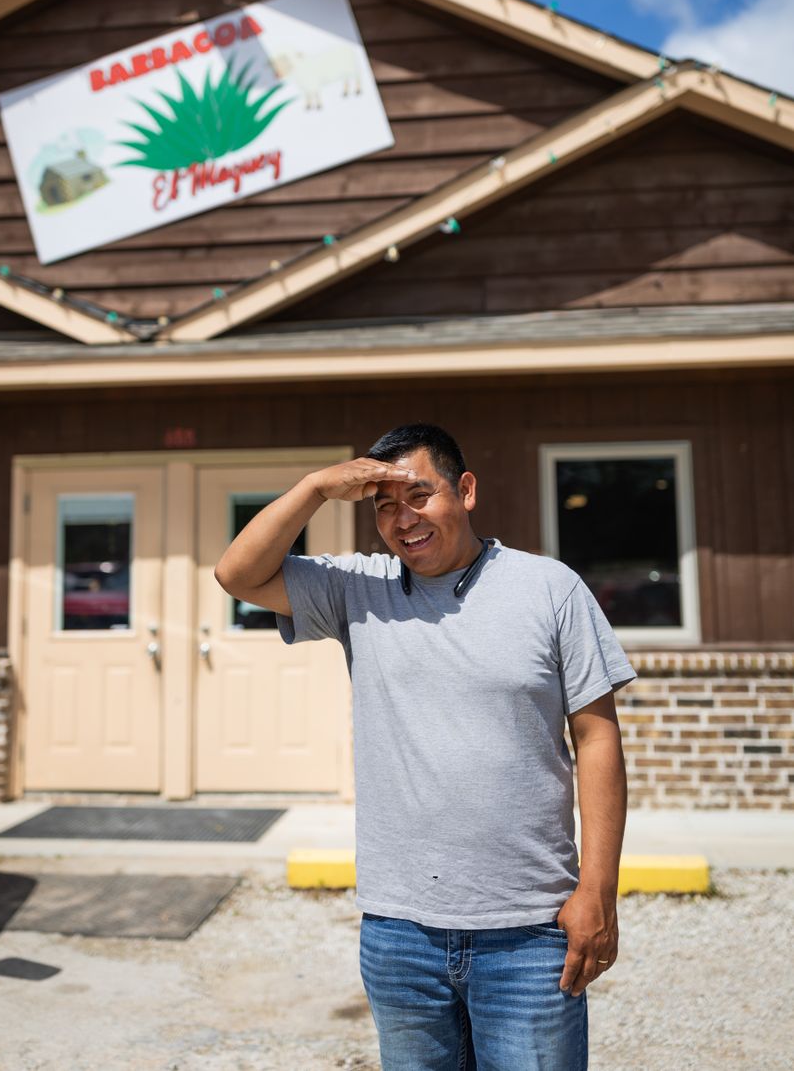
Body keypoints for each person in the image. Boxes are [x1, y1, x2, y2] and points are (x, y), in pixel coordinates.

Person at [215, 423, 636, 1071]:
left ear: (465, 490)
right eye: (384, 504)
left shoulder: (549, 587)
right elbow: (237, 572)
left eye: (418, 495)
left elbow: (597, 736)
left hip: (529, 929)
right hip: (399, 930)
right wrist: (316, 487)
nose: (402, 518)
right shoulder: (358, 588)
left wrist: (598, 890)